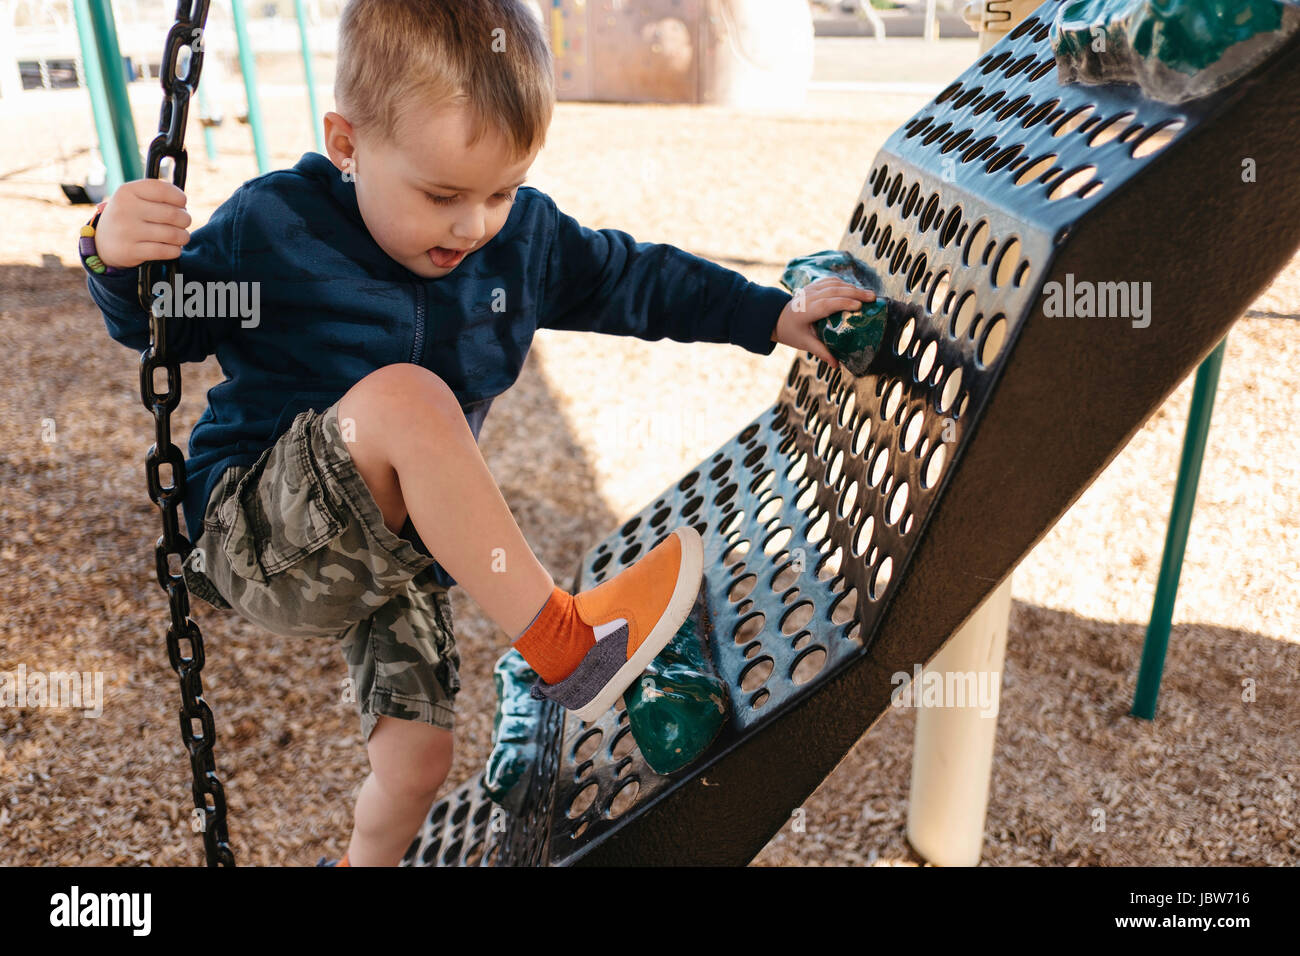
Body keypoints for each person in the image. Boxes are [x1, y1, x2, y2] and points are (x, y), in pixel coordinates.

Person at [79, 0, 873, 867]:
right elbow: (164, 322)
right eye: (443, 195)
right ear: (347, 145)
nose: (474, 225)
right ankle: (569, 645)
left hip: (394, 558)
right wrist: (114, 252)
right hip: (258, 528)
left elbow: (637, 280)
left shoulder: (518, 242)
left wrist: (771, 315)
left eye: (503, 189)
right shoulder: (278, 227)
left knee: (418, 763)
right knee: (413, 402)